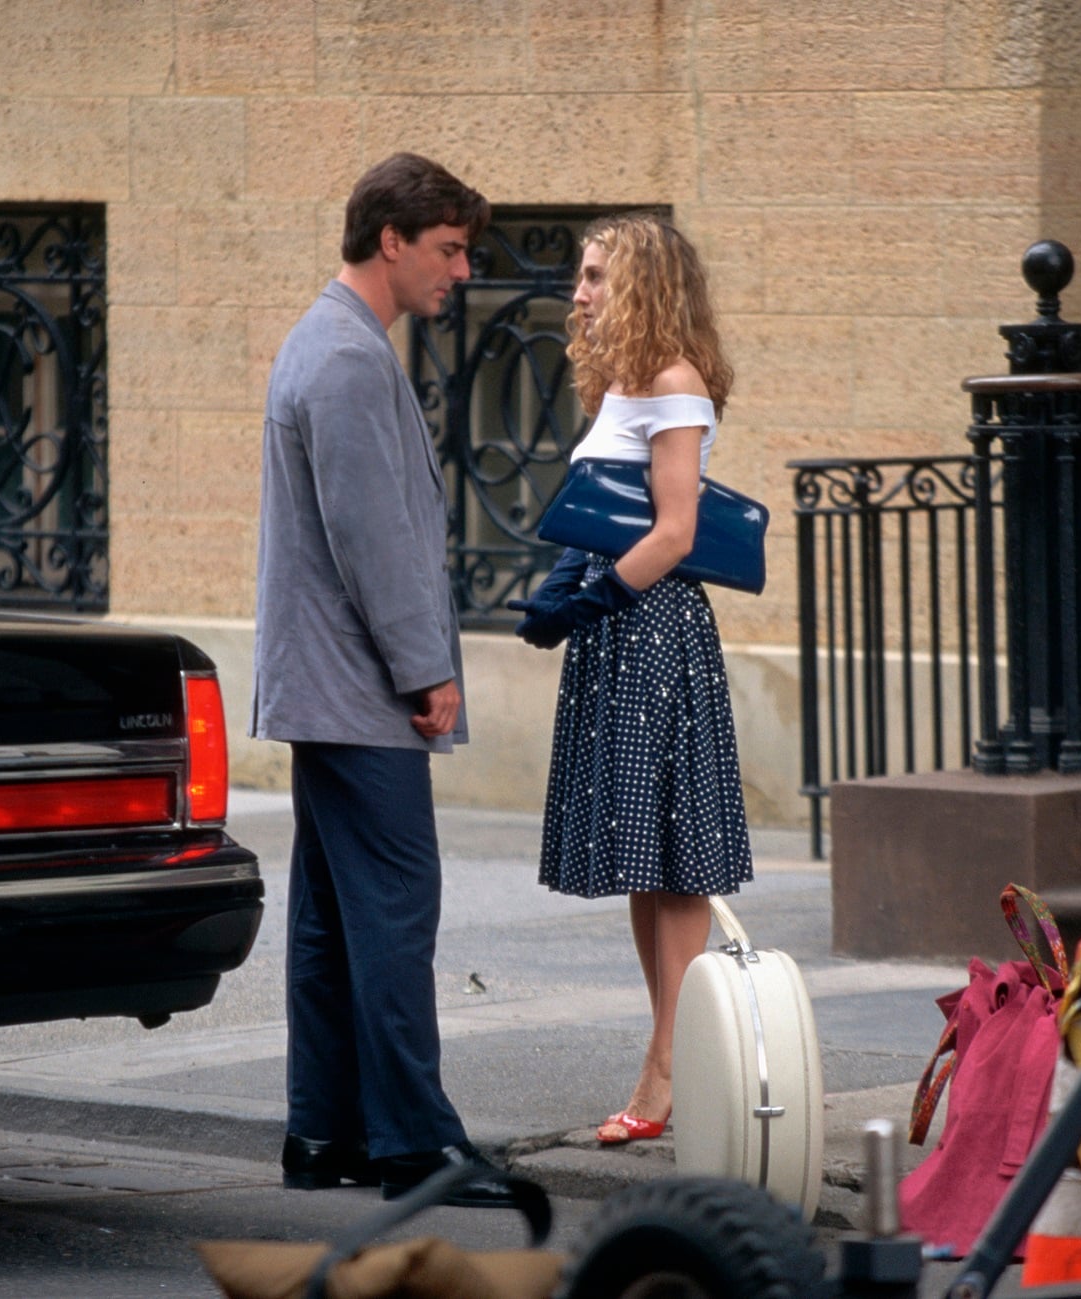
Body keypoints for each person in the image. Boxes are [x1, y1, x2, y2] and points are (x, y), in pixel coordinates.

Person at [251, 152, 515, 1207]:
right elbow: (372, 539)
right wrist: (426, 668)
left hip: (327, 689)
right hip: (360, 692)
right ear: (390, 240)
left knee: (333, 922)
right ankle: (415, 1145)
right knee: (397, 915)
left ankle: (324, 1134)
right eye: (448, 249)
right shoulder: (348, 357)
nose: (461, 270)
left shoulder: (326, 341)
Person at [508, 212, 754, 1146]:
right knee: (644, 855)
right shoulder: (622, 383)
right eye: (582, 274)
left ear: (643, 282)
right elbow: (608, 515)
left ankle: (669, 1066)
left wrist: (591, 599)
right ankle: (673, 1054)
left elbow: (677, 532)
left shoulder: (675, 383)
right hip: (619, 629)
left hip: (653, 629)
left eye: (595, 275)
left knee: (675, 857)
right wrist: (567, 589)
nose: (578, 291)